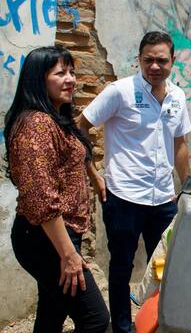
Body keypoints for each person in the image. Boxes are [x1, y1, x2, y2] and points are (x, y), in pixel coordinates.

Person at [79, 31, 191, 333]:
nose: (155, 66)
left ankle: (158, 324)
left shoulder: (178, 97)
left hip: (163, 199)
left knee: (167, 267)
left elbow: (179, 144)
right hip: (123, 197)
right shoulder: (120, 91)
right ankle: (122, 328)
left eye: (161, 60)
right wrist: (93, 174)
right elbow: (81, 127)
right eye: (148, 60)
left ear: (172, 61)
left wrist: (188, 187)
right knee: (121, 268)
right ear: (139, 59)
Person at [6, 46, 109, 333]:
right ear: (38, 79)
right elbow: (41, 198)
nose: (71, 79)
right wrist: (68, 254)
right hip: (45, 239)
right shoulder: (36, 125)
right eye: (60, 73)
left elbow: (73, 154)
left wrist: (95, 176)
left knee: (51, 315)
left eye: (72, 72)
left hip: (54, 236)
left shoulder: (54, 117)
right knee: (95, 320)